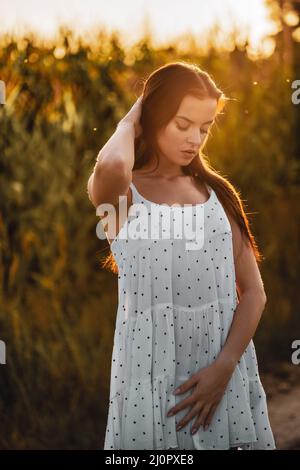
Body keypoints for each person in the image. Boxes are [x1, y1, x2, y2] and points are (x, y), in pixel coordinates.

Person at [87, 61, 276, 450]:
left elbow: (254, 292)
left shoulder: (218, 195)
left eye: (205, 128)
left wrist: (223, 369)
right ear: (152, 118)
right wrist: (132, 118)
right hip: (148, 381)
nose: (195, 139)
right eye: (182, 124)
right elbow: (111, 163)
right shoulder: (124, 196)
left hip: (224, 380)